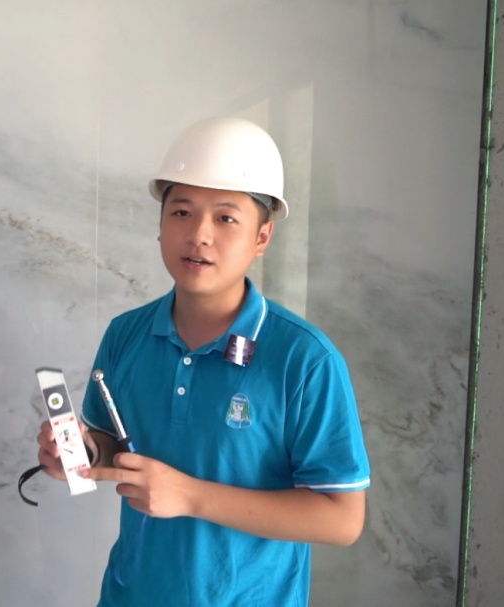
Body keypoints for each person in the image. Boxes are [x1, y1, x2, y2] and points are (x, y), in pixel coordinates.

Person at [35, 117, 371, 607]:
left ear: (262, 237)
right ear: (160, 226)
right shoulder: (126, 334)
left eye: (226, 218)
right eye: (182, 212)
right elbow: (112, 446)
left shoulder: (305, 359)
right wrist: (80, 455)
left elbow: (342, 519)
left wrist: (191, 496)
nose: (199, 235)